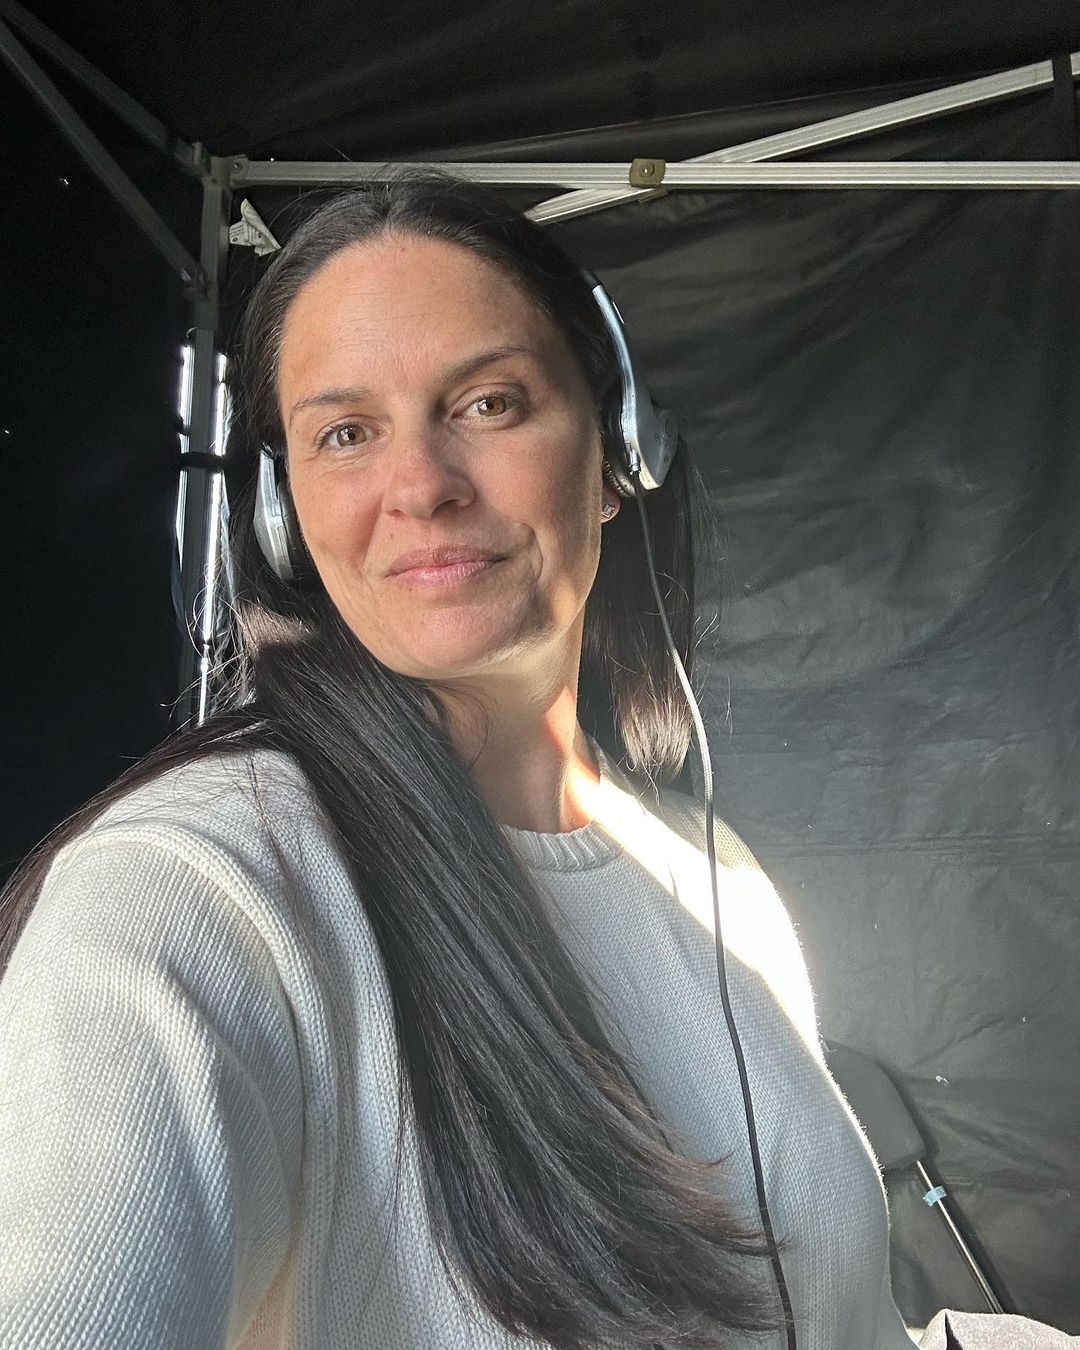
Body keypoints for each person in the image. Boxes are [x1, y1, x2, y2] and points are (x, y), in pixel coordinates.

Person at [0, 169, 1069, 1350]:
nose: (421, 486)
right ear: (280, 515)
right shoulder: (196, 889)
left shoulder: (710, 870)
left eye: (489, 403)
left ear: (618, 454)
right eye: (346, 433)